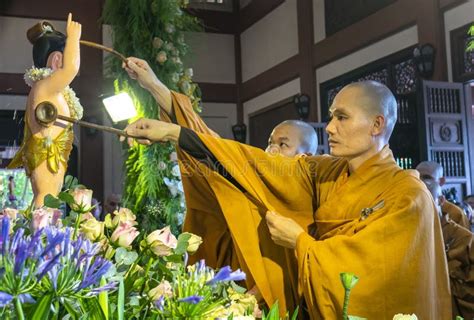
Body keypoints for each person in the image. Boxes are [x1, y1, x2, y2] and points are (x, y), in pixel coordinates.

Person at [122, 80, 451, 318]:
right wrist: (176, 130)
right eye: (332, 117)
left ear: (377, 124)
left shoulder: (409, 197)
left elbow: (374, 279)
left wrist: (299, 243)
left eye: (342, 117)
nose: (330, 129)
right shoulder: (322, 172)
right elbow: (254, 167)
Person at [122, 57, 318, 313]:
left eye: (283, 144)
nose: (271, 149)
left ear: (305, 158)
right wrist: (156, 87)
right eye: (270, 142)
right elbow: (211, 146)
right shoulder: (251, 177)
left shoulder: (305, 198)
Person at [8, 14, 82, 208]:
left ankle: (43, 235)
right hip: (47, 151)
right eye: (66, 55)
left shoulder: (49, 88)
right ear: (57, 59)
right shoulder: (45, 86)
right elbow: (71, 69)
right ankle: (40, 237)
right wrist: (74, 38)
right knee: (46, 197)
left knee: (50, 197)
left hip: (52, 152)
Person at [422, 181, 474, 319]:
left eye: (427, 198)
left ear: (441, 200)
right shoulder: (413, 236)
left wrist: (454, 284)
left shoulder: (464, 237)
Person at [416, 161, 471, 230]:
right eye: (417, 177)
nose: (420, 181)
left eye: (427, 177)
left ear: (441, 181)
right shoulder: (411, 206)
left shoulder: (456, 214)